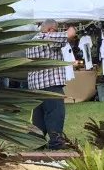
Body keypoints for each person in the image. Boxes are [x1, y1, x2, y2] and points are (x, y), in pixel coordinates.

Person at [25, 20, 70, 150]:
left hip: (35, 86)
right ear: (51, 30)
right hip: (51, 85)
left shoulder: (31, 41)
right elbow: (69, 34)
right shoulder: (47, 38)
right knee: (55, 114)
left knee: (38, 117)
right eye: (56, 30)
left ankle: (35, 142)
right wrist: (73, 27)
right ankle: (56, 143)